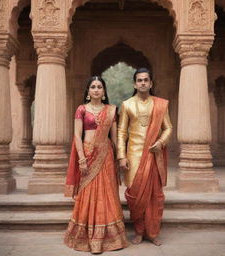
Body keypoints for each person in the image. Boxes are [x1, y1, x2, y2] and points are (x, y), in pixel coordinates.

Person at [64, 76, 128, 253]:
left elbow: (114, 138)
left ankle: (108, 239)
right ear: (88, 91)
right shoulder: (81, 109)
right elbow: (77, 135)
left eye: (100, 86)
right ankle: (86, 237)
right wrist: (81, 158)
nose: (96, 89)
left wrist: (120, 157)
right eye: (93, 86)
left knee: (106, 192)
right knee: (88, 192)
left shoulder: (111, 110)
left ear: (104, 91)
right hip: (87, 153)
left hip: (105, 155)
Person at [117, 68, 173, 246]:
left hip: (153, 155)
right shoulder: (127, 105)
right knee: (135, 195)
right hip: (133, 156)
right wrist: (121, 156)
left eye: (146, 80)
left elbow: (168, 128)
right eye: (139, 80)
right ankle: (139, 231)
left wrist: (161, 142)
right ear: (134, 84)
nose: (142, 83)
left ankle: (153, 232)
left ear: (151, 83)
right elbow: (121, 132)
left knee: (154, 196)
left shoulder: (160, 104)